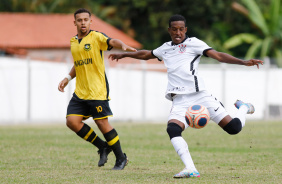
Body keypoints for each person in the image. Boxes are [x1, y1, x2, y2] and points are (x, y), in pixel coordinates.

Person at [108, 14, 264, 177]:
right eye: (174, 29)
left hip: (200, 96)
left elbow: (217, 55)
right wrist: (124, 54)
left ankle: (244, 108)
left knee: (234, 128)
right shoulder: (165, 48)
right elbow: (146, 54)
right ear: (169, 30)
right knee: (173, 129)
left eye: (181, 29)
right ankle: (190, 168)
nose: (178, 32)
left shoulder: (194, 43)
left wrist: (243, 62)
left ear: (186, 30)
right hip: (179, 100)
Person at [58, 8, 136, 170]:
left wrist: (122, 45)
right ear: (75, 23)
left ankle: (121, 158)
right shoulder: (73, 41)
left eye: (86, 20)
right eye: (79, 20)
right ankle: (102, 146)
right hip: (81, 91)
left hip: (97, 90)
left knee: (101, 123)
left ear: (90, 21)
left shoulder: (96, 37)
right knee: (72, 121)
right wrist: (67, 78)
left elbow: (112, 42)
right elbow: (78, 63)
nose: (83, 23)